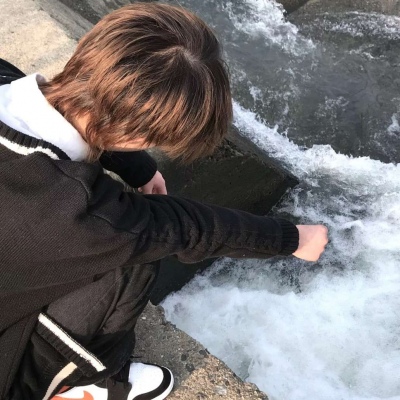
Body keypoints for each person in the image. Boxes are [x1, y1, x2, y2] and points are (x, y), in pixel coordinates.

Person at [0, 3, 328, 400]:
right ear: (140, 138)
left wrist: (137, 168)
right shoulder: (80, 210)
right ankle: (80, 382)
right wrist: (294, 239)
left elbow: (83, 105)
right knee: (131, 263)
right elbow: (183, 227)